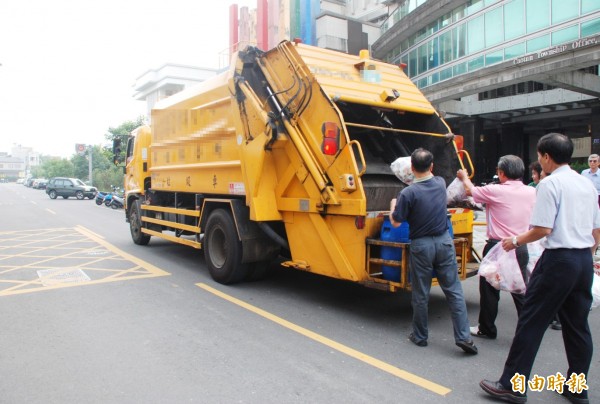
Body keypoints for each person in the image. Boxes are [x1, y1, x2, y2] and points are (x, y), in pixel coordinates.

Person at [480, 133, 600, 404]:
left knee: (531, 321)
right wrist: (588, 254)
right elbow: (596, 230)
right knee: (578, 326)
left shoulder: (549, 184)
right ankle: (577, 387)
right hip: (582, 260)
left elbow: (542, 229)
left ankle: (512, 385)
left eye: (539, 155)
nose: (538, 160)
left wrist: (515, 240)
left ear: (546, 157)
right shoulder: (586, 185)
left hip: (558, 261)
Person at [389, 148, 477, 355]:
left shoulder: (407, 193)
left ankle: (420, 337)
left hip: (421, 246)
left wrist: (394, 203)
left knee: (421, 293)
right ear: (432, 166)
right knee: (453, 291)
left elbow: (395, 222)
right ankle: (464, 337)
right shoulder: (439, 183)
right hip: (444, 242)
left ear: (411, 168)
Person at [457, 155, 536, 340]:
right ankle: (530, 329)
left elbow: (470, 191)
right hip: (520, 244)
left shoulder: (496, 190)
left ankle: (487, 328)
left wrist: (463, 177)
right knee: (521, 289)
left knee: (489, 289)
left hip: (497, 247)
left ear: (501, 173)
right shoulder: (531, 192)